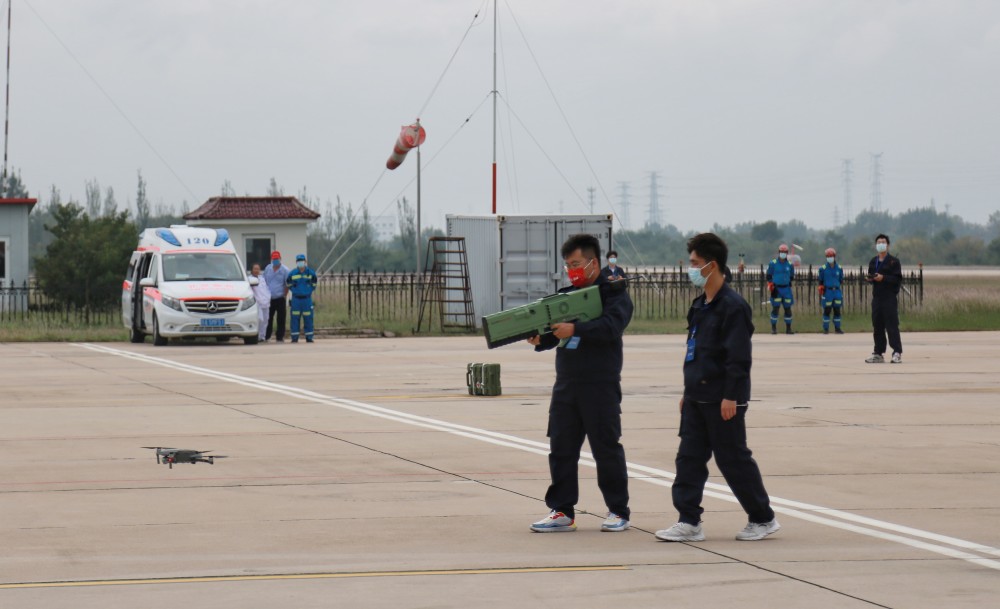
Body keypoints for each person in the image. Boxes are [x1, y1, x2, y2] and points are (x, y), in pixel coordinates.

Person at [656, 232, 779, 543]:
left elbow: (739, 358)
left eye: (696, 264)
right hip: (697, 397)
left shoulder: (733, 307)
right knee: (688, 459)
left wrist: (732, 396)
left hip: (723, 398)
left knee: (733, 460)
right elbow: (695, 351)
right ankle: (688, 520)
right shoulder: (700, 305)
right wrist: (687, 392)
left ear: (712, 266)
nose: (691, 269)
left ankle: (763, 518)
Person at [526, 234, 633, 533]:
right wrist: (541, 338)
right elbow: (555, 332)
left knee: (606, 448)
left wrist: (577, 328)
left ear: (592, 263)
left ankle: (617, 510)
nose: (571, 270)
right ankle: (561, 509)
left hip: (600, 383)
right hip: (567, 384)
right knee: (561, 447)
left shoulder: (614, 293)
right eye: (567, 265)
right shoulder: (566, 296)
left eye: (576, 264)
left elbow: (612, 326)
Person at [865, 234, 903, 364]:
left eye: (883, 242)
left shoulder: (893, 262)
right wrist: (871, 278)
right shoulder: (873, 261)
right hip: (877, 298)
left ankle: (897, 352)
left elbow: (897, 279)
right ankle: (878, 353)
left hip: (889, 298)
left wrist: (884, 278)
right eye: (879, 242)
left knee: (892, 326)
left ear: (888, 245)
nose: (881, 244)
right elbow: (871, 276)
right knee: (877, 326)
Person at [286, 253, 318, 343]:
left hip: (307, 299)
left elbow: (314, 283)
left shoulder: (311, 273)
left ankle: (309, 337)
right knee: (295, 319)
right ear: (296, 262)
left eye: (302, 261)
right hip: (296, 299)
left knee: (308, 318)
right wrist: (295, 290)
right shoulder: (292, 273)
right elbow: (288, 283)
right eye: (299, 261)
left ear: (305, 262)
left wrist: (308, 290)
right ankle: (294, 338)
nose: (300, 263)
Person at [765, 243, 795, 335]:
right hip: (777, 289)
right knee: (775, 308)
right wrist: (771, 284)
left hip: (786, 290)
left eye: (785, 252)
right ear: (779, 252)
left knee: (788, 309)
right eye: (781, 252)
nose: (783, 253)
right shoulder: (773, 263)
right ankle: (773, 328)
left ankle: (788, 329)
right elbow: (768, 275)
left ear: (787, 253)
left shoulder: (790, 264)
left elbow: (791, 277)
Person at [263, 251, 290, 342]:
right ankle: (266, 336)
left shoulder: (285, 270)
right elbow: (264, 281)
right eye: (274, 259)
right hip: (269, 298)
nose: (275, 260)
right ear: (271, 259)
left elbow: (287, 284)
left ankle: (280, 337)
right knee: (268, 318)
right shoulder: (268, 268)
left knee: (281, 318)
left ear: (280, 259)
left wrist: (284, 296)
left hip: (280, 298)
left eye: (277, 259)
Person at [818, 247, 845, 335]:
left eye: (831, 256)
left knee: (837, 310)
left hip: (836, 291)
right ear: (826, 257)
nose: (830, 257)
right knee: (827, 310)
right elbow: (820, 280)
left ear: (834, 256)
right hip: (827, 292)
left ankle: (837, 328)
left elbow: (841, 280)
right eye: (828, 256)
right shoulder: (822, 268)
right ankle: (826, 329)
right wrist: (821, 287)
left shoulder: (839, 268)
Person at [250, 263, 271, 343]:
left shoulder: (262, 279)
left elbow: (266, 289)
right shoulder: (249, 279)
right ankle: (256, 336)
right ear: (252, 270)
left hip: (265, 302)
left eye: (258, 269)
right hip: (257, 303)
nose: (256, 270)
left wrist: (268, 297)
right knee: (259, 319)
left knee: (265, 320)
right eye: (255, 269)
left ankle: (262, 336)